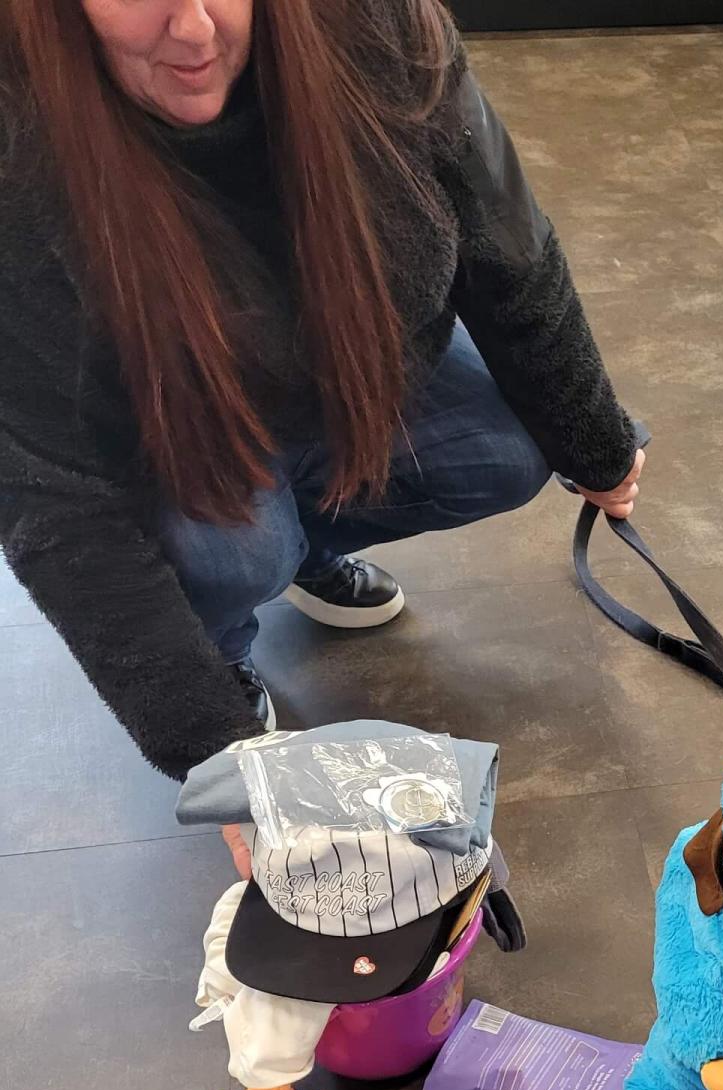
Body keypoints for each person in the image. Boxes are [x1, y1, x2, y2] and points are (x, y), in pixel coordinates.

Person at [0, 0, 643, 822]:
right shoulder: (18, 148)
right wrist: (212, 749)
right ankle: (223, 647)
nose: (195, 29)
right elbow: (54, 503)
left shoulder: (383, 25)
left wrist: (595, 444)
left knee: (519, 444)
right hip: (172, 428)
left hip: (337, 376)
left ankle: (304, 544)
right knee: (233, 557)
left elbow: (505, 244)